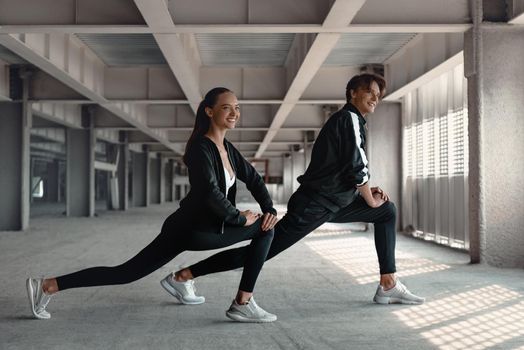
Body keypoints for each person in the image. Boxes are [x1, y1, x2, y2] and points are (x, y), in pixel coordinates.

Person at [166, 74, 425, 305]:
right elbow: (358, 166)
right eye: (369, 91)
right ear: (353, 93)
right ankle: (184, 275)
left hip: (333, 201)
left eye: (378, 96)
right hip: (315, 204)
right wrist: (369, 198)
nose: (375, 98)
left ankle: (388, 284)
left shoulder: (349, 122)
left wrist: (365, 193)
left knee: (386, 211)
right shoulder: (348, 118)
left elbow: (344, 169)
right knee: (262, 251)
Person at [26, 87, 280, 323]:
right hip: (196, 229)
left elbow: (254, 178)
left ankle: (48, 285)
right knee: (265, 231)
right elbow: (209, 194)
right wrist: (239, 217)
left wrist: (269, 208)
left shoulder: (226, 148)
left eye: (237, 108)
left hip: (184, 228)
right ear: (210, 111)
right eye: (227, 107)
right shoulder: (200, 149)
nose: (234, 113)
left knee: (126, 273)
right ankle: (241, 303)